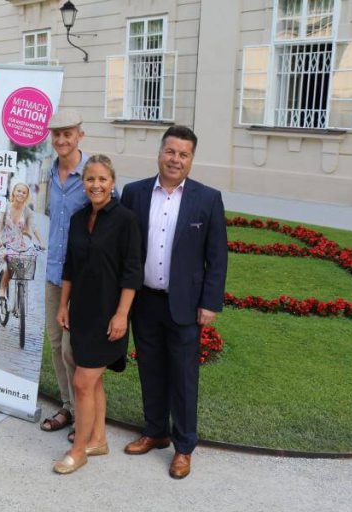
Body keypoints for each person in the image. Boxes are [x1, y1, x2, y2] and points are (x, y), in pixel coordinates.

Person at [120, 125, 228, 479]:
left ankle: (184, 447)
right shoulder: (134, 193)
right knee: (150, 368)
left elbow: (217, 256)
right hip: (145, 300)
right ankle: (155, 431)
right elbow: (124, 248)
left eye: (183, 154)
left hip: (185, 304)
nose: (175, 159)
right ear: (160, 152)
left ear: (191, 159)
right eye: (170, 151)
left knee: (183, 377)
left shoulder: (207, 199)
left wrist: (209, 303)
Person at [52, 155, 142, 474]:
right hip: (82, 314)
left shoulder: (125, 220)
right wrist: (64, 305)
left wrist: (121, 315)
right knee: (92, 382)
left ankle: (79, 450)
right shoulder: (78, 219)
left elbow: (132, 273)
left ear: (112, 183)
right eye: (90, 179)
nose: (96, 185)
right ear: (84, 183)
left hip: (109, 317)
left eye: (102, 179)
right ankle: (98, 439)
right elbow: (70, 267)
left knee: (83, 382)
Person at [40, 109, 90, 440]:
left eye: (67, 133)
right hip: (52, 272)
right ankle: (67, 406)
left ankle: (86, 413)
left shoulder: (93, 174)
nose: (61, 140)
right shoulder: (48, 173)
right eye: (56, 134)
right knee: (57, 343)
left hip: (82, 278)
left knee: (77, 348)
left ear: (79, 136)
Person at [0, 182, 44, 300]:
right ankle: (2, 289)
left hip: (19, 244)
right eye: (19, 191)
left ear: (27, 195)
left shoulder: (27, 211)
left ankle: (19, 297)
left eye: (24, 192)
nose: (21, 194)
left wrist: (41, 242)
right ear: (14, 192)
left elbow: (34, 226)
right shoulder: (5, 206)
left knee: (23, 266)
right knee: (11, 266)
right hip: (5, 243)